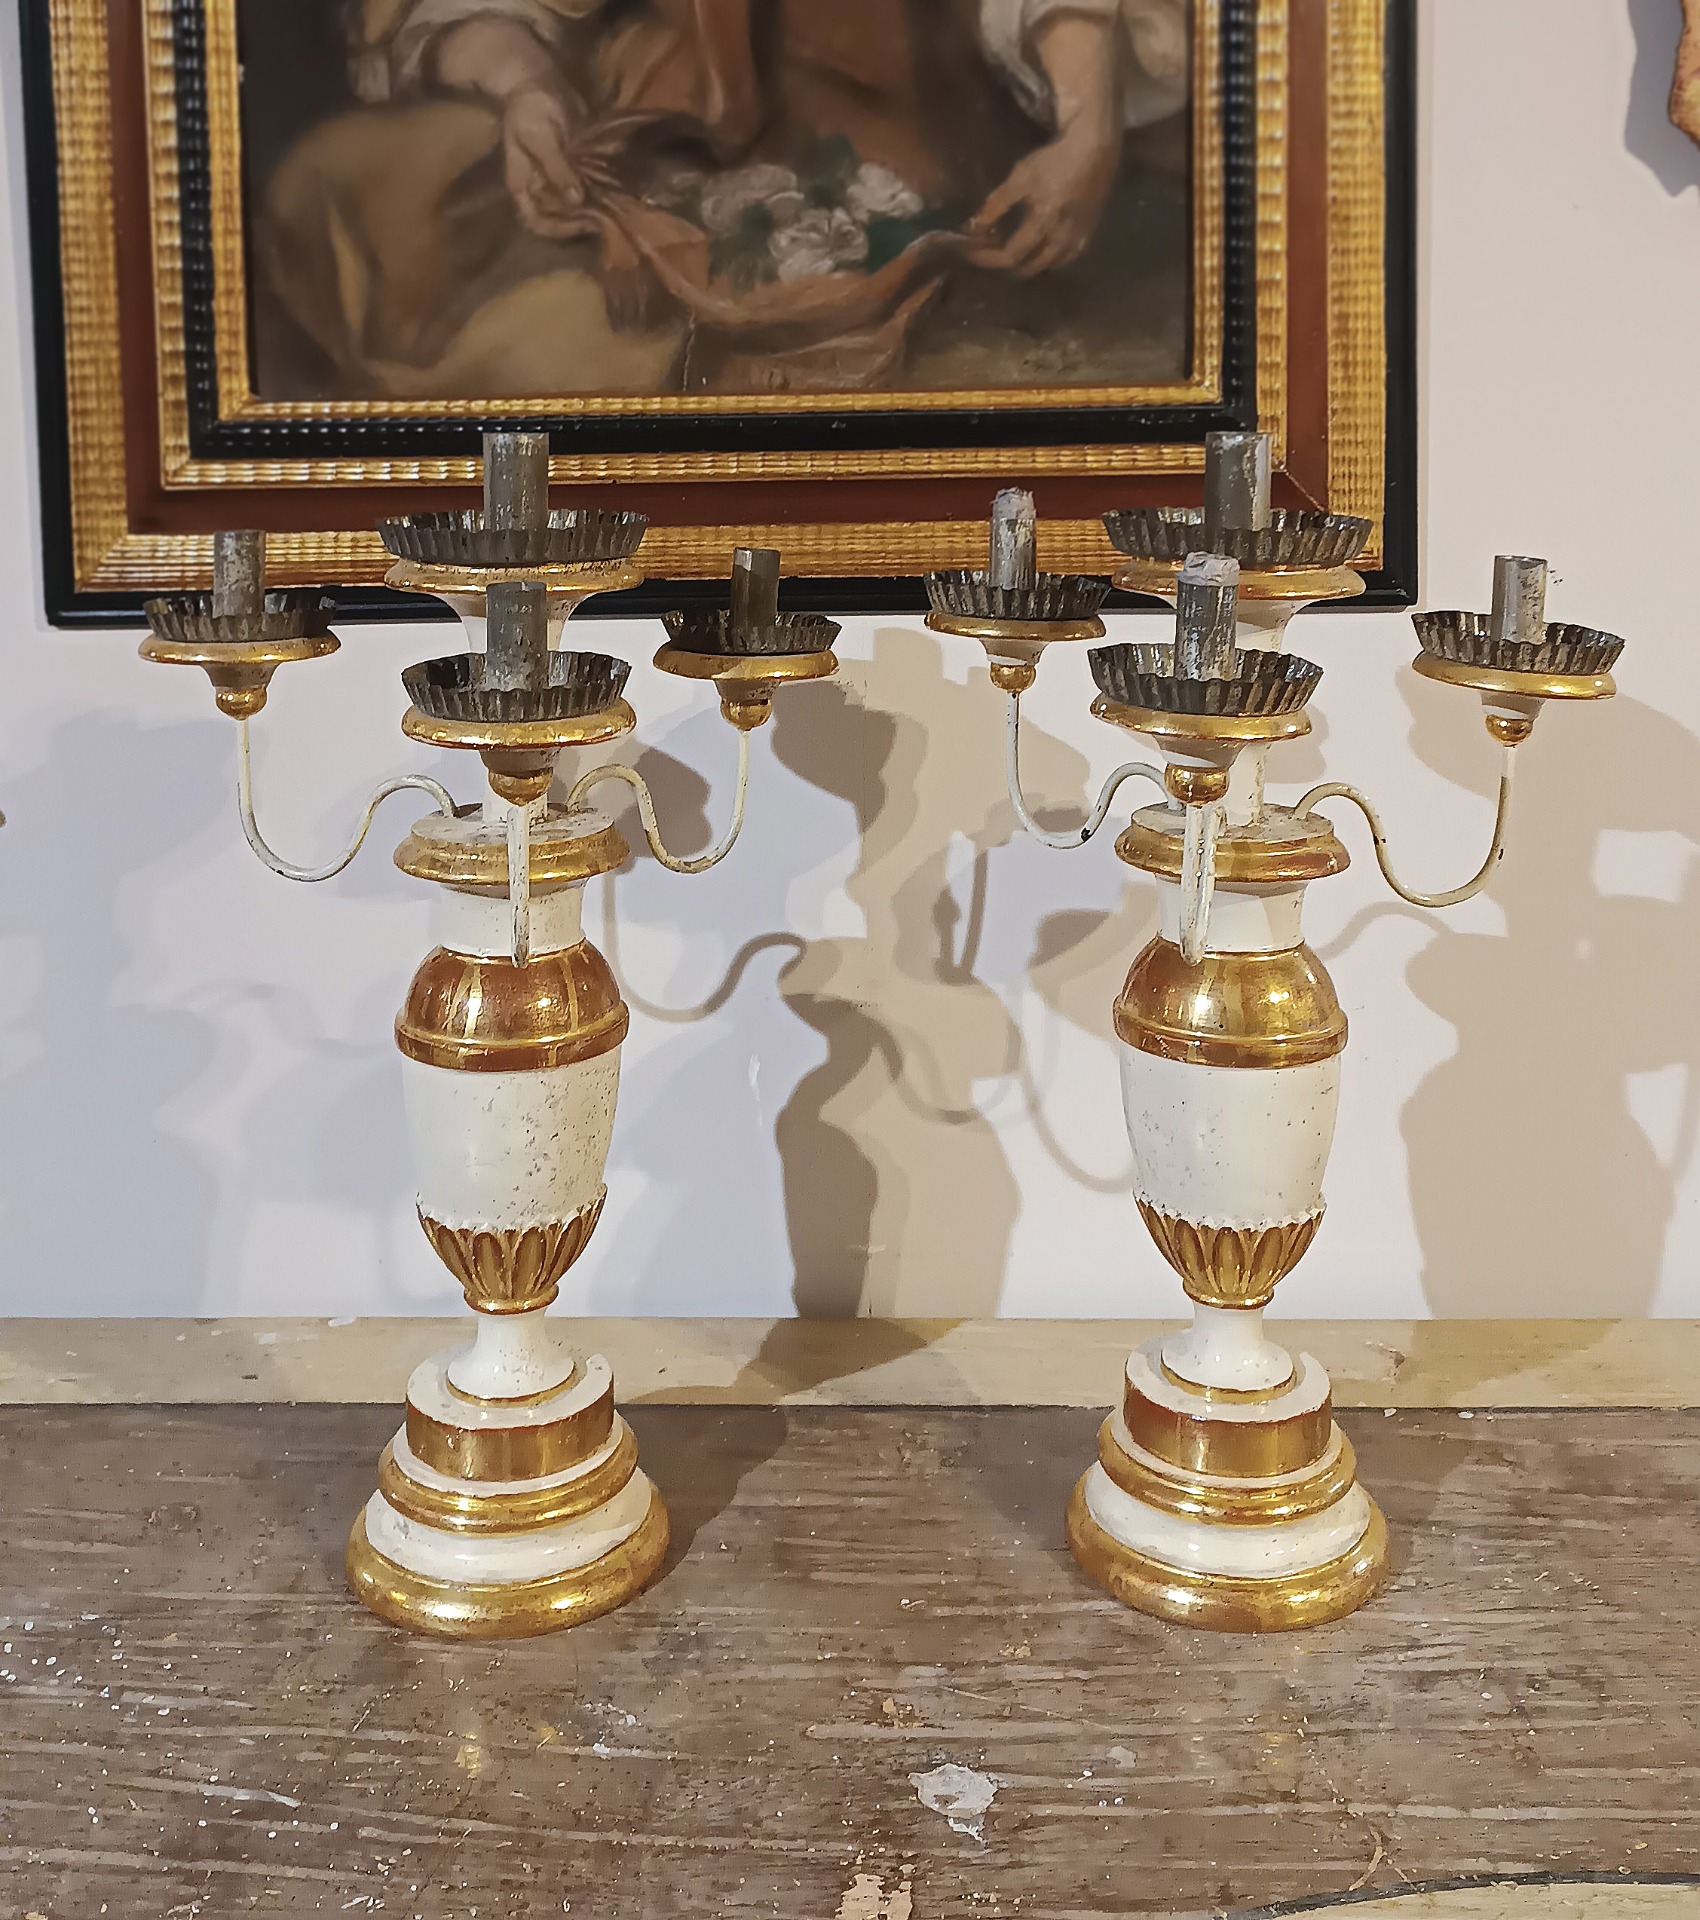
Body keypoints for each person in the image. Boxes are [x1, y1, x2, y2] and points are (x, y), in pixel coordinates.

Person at [262, 0, 1189, 395]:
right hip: (654, 103)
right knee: (345, 181)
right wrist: (527, 87)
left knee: (589, 340)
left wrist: (1087, 129)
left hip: (886, 122)